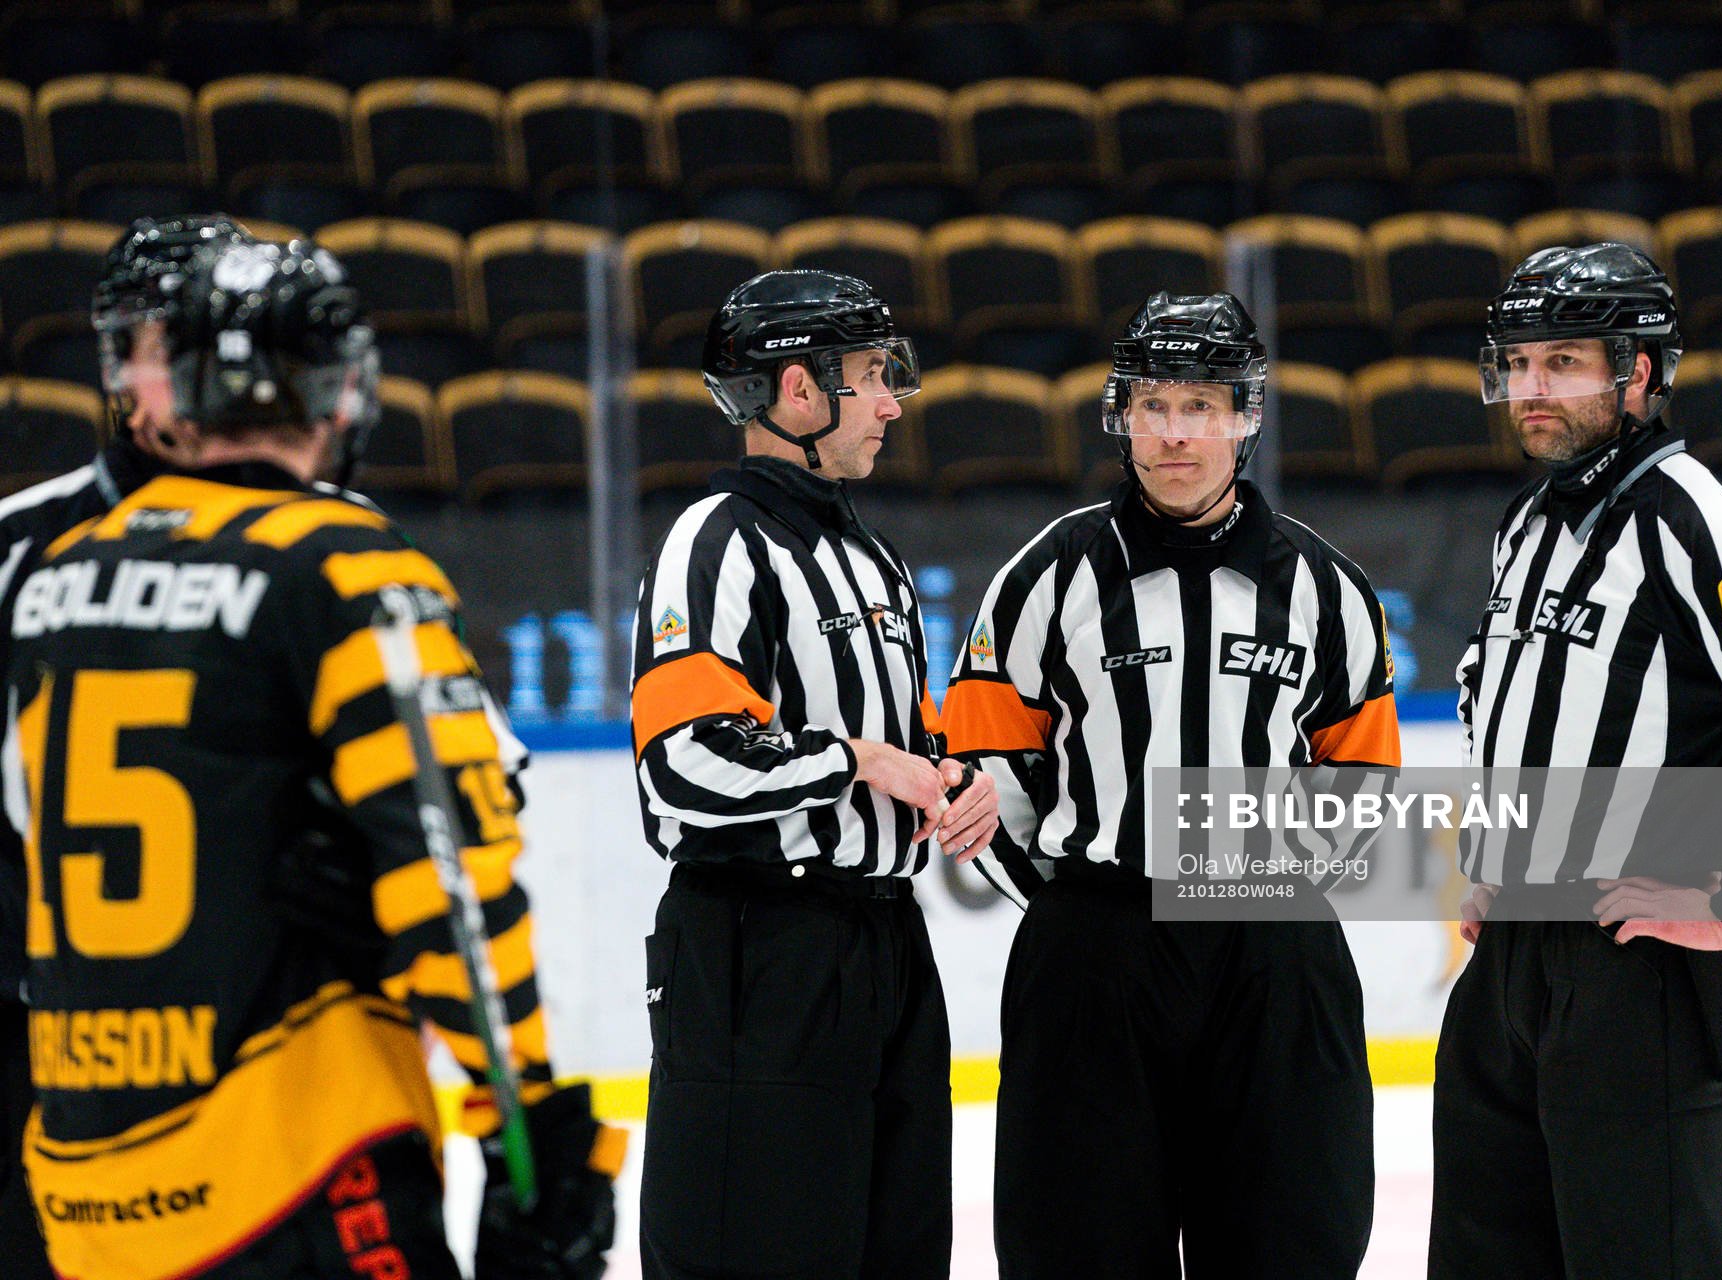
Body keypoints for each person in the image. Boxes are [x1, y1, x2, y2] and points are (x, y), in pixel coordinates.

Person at [2, 234, 622, 1279]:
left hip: (84, 1171)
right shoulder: (342, 557)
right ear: (338, 391)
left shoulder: (57, 571)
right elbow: (453, 877)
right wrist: (530, 1130)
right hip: (294, 1154)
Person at [1433, 243, 1722, 1279]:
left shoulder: (1695, 514)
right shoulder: (1531, 518)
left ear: (1636, 372)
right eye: (1518, 362)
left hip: (1642, 976)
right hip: (1511, 966)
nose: (1531, 389)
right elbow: (1485, 689)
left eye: (1563, 362)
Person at [943, 292, 1398, 1279]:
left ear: (1246, 414)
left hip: (1274, 954)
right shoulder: (1047, 576)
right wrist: (1078, 902)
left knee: (1292, 1241)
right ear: (1122, 415)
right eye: (1152, 404)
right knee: (1081, 1248)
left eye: (1199, 405)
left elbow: (1361, 774)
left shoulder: (1326, 587)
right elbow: (984, 769)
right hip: (1094, 954)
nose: (1174, 431)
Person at [631, 269, 999, 1279]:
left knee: (894, 1243)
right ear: (797, 389)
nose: (891, 401)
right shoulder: (715, 541)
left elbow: (887, 733)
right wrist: (858, 760)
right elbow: (684, 759)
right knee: (761, 1249)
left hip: (881, 943)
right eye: (872, 375)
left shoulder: (866, 554)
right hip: (762, 946)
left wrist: (943, 771)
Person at [0, 211, 251, 1277]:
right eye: (168, 342)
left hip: (260, 1051)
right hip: (44, 1046)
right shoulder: (17, 545)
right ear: (115, 357)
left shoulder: (339, 541)